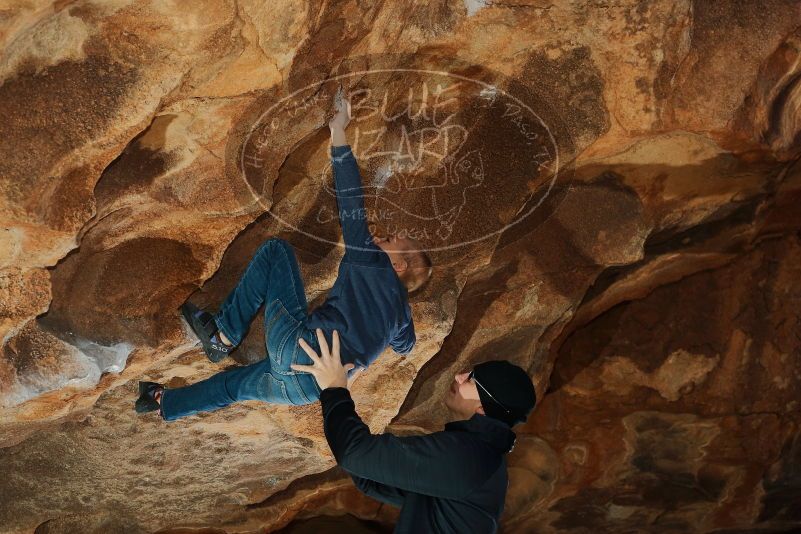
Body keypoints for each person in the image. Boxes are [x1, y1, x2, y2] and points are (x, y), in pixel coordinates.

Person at [135, 88, 433, 419]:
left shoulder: (372, 262)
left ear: (398, 263)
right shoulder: (400, 318)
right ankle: (164, 402)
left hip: (301, 349)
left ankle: (224, 333)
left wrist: (339, 130)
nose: (383, 237)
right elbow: (407, 347)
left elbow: (351, 201)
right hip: (307, 390)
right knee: (233, 386)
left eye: (390, 238)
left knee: (276, 251)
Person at [292, 328, 537, 534]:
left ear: (483, 408)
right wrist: (343, 402)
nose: (460, 376)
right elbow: (372, 480)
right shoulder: (481, 460)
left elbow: (354, 455)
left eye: (472, 378)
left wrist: (334, 388)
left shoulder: (469, 458)